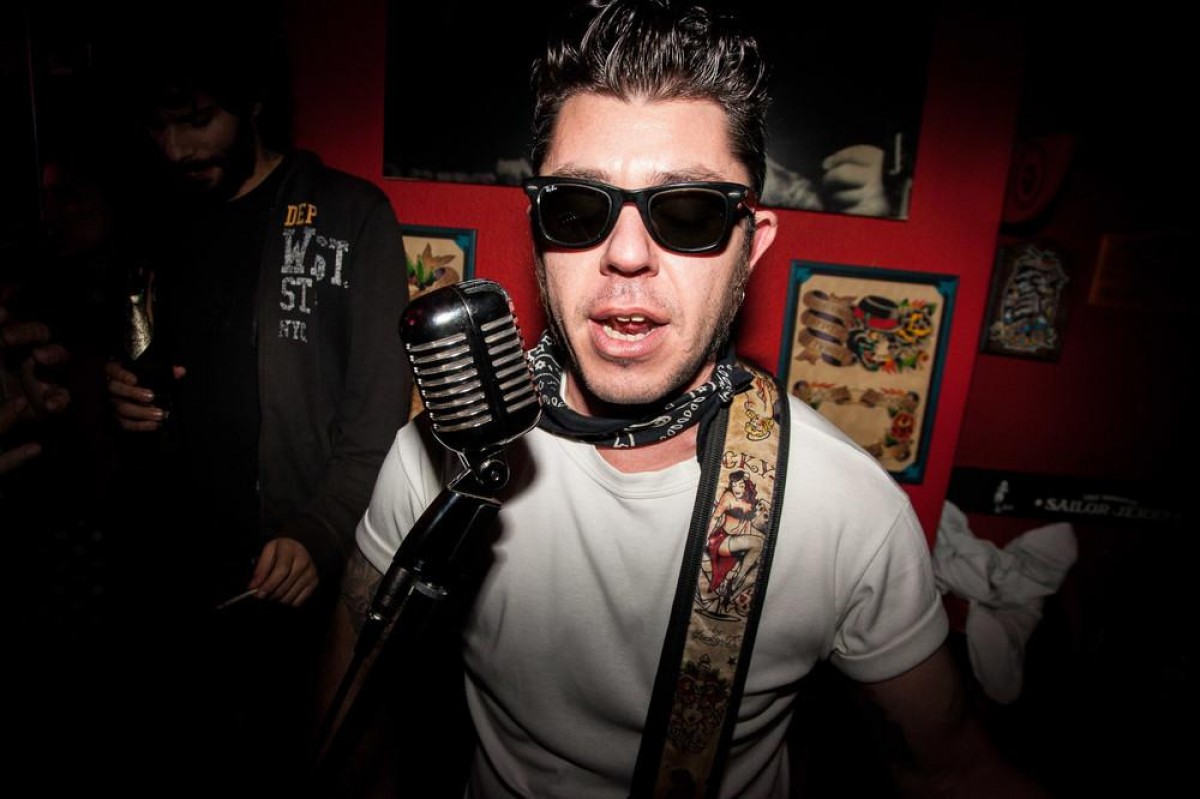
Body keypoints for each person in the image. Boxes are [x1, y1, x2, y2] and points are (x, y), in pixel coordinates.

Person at [329, 1, 1047, 796]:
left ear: (751, 245)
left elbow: (950, 766)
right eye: (577, 206)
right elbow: (349, 721)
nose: (626, 254)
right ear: (536, 230)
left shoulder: (846, 511)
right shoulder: (440, 459)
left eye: (691, 212)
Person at [101, 15, 410, 793]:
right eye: (157, 126)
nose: (176, 148)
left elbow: (379, 418)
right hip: (171, 584)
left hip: (294, 585)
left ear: (254, 102)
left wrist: (319, 530)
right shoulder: (155, 221)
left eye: (198, 119)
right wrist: (120, 401)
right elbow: (148, 373)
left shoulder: (351, 216)